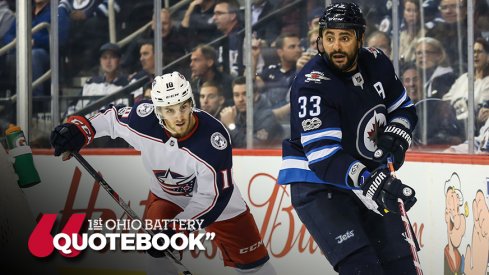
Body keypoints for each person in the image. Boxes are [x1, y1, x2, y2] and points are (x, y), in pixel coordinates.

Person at [50, 72, 277, 275]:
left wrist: (177, 227)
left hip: (219, 202)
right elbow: (110, 118)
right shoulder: (142, 119)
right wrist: (80, 129)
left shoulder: (213, 138)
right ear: (157, 110)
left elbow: (213, 197)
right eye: (169, 110)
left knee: (254, 265)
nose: (178, 117)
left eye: (183, 106)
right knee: (157, 255)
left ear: (191, 102)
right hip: (166, 196)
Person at [277, 3, 420, 274]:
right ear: (320, 40)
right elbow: (324, 158)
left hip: (369, 176)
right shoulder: (312, 83)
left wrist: (398, 133)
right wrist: (369, 181)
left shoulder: (376, 62)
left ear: (360, 38)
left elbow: (403, 108)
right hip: (319, 185)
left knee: (402, 265)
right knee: (364, 269)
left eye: (344, 38)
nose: (336, 47)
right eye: (329, 38)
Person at [220, 76, 284, 148]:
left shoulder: (267, 118)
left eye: (245, 94)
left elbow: (251, 148)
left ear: (256, 95)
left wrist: (231, 125)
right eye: (236, 95)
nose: (240, 99)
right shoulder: (233, 115)